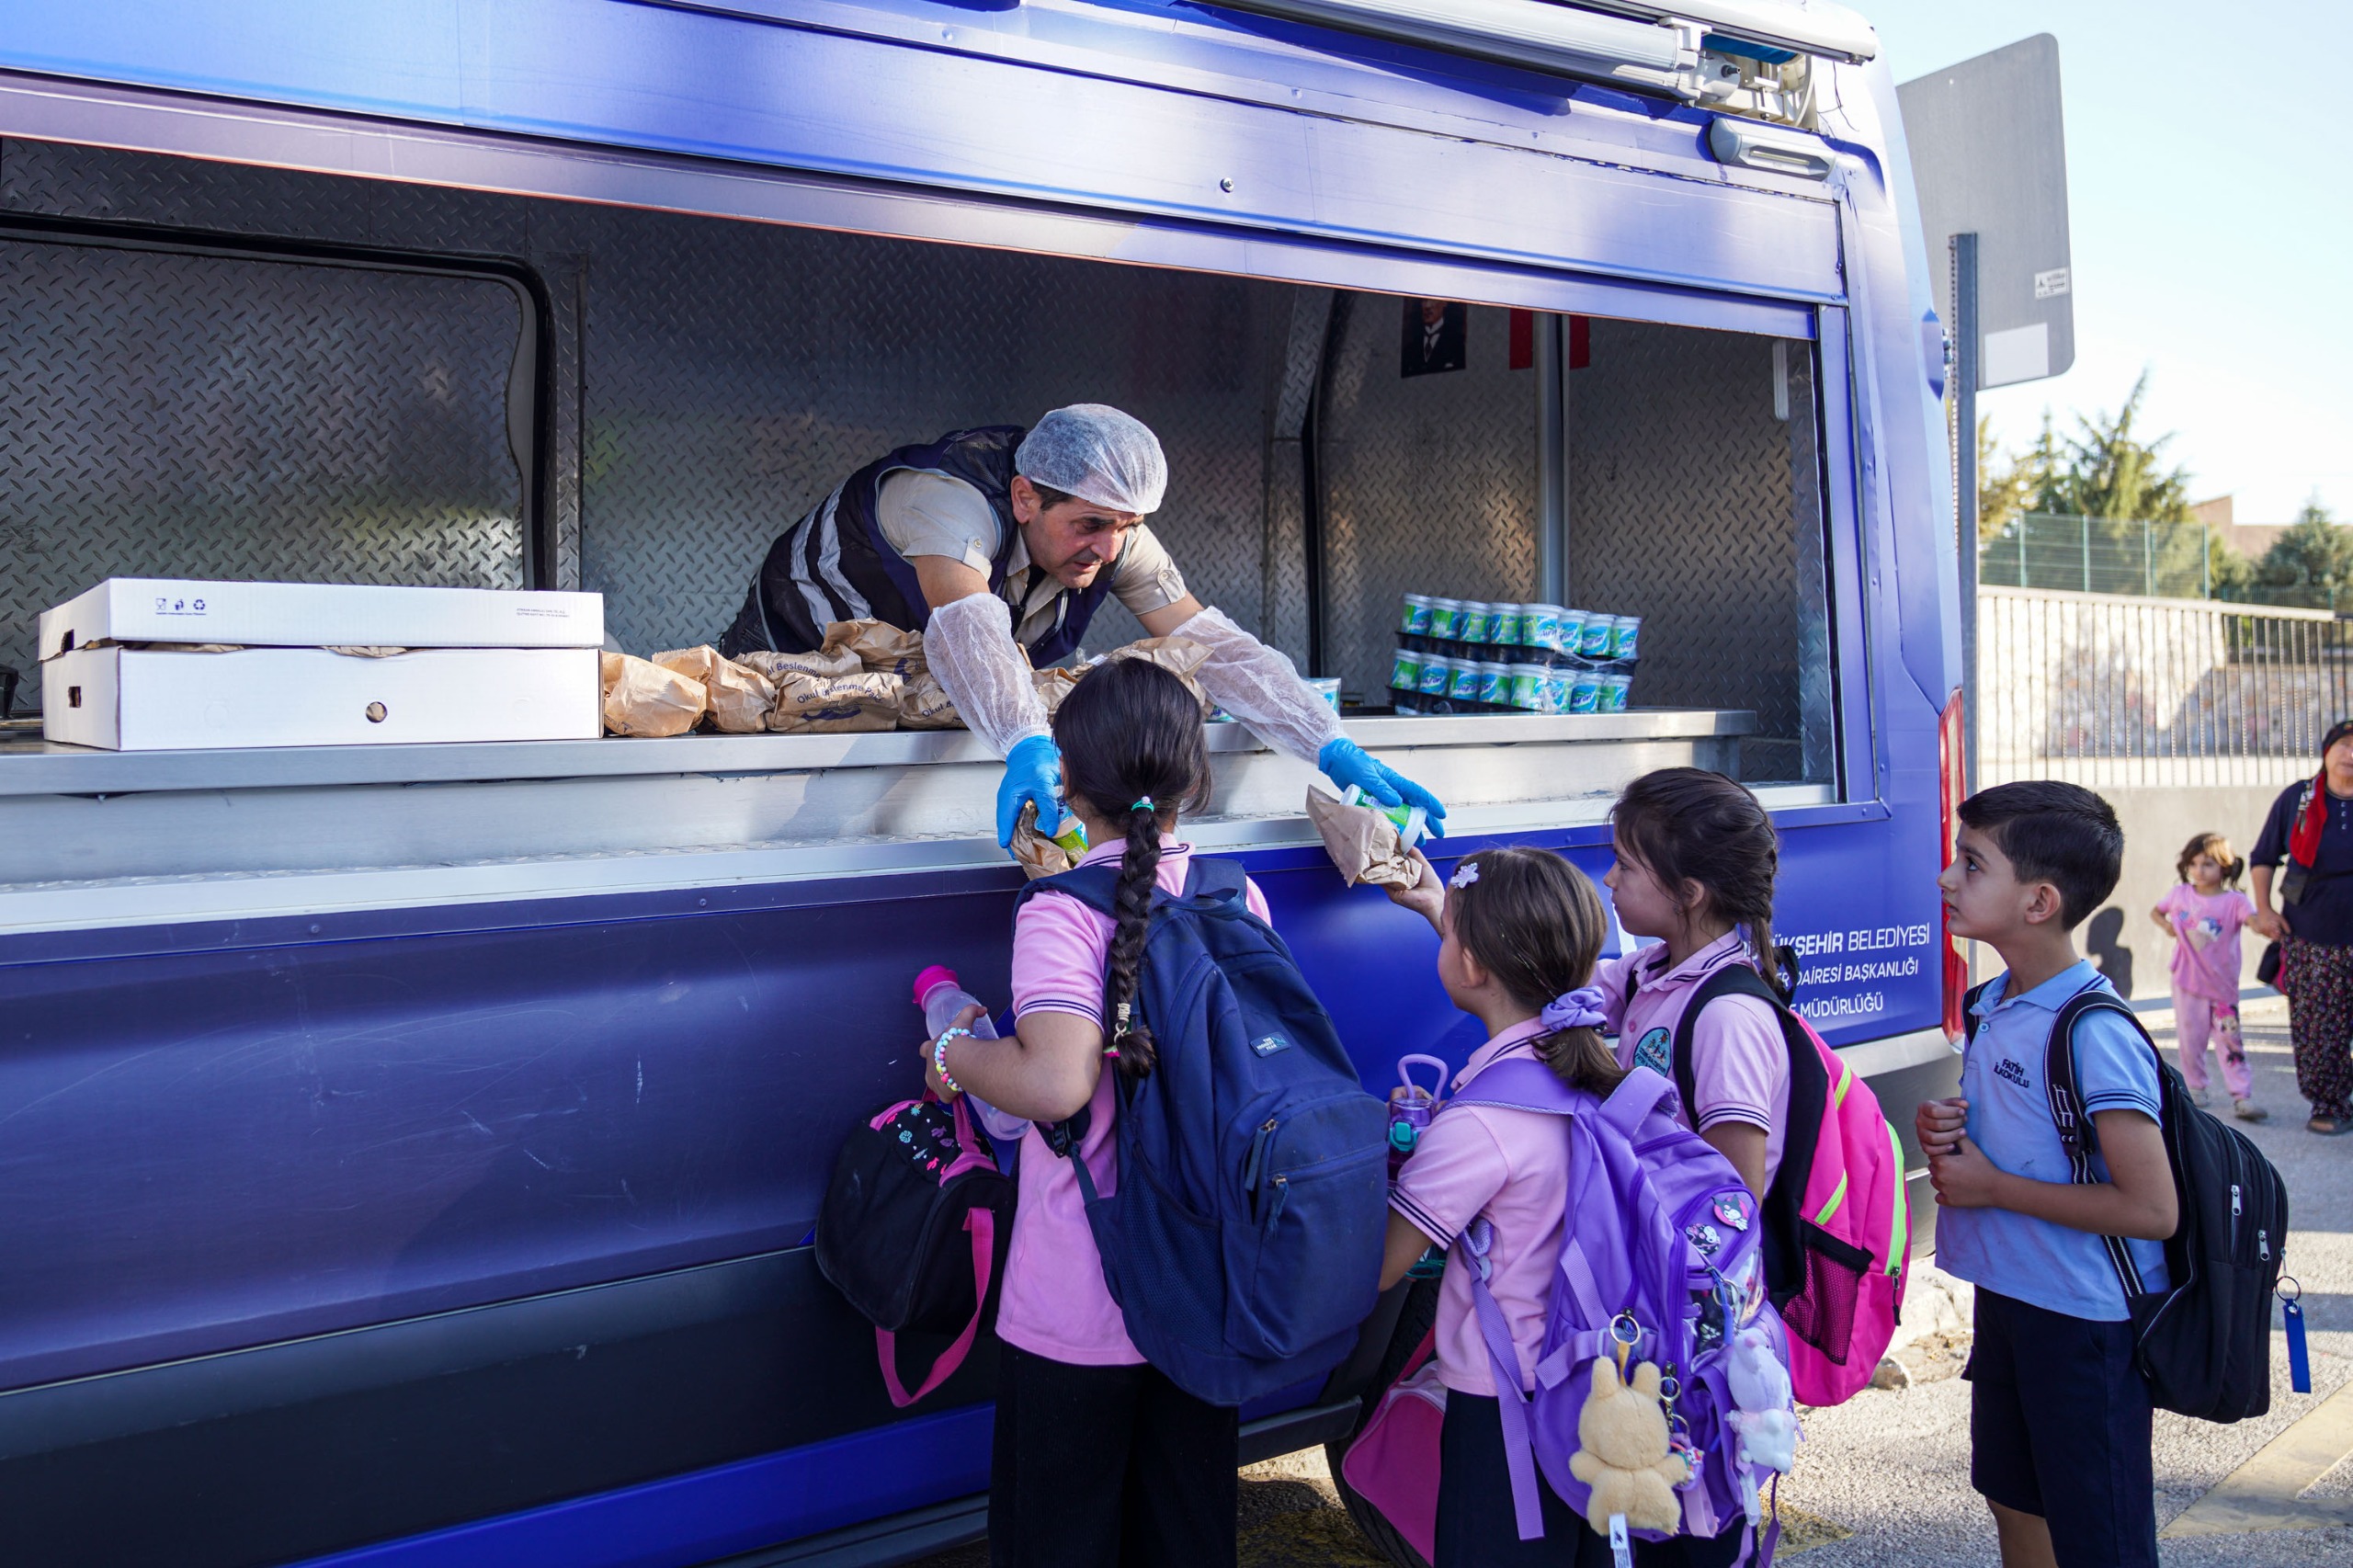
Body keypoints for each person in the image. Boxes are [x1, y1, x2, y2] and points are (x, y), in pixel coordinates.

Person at [716, 403, 1444, 850]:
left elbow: (1209, 644)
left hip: (911, 703)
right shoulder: (945, 501)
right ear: (1025, 498)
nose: (1107, 547)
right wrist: (1028, 744)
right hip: (785, 681)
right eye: (1090, 526)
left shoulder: (1110, 532)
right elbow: (968, 628)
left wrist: (1329, 744)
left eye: (1125, 527)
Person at [917, 657, 1244, 1568]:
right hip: (1204, 1290)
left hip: (1078, 1304)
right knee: (1185, 1536)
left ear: (1065, 780)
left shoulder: (1060, 912)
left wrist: (952, 1055)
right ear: (1195, 778)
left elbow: (1057, 1083)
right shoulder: (1234, 894)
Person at [1917, 781, 2177, 1568]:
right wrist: (1952, 1130)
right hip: (2011, 1298)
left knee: (2099, 1535)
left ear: (2039, 902)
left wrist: (1994, 1187)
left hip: (2083, 1325)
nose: (1947, 877)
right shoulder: (1994, 1001)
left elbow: (2152, 1209)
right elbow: (2028, 1138)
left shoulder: (2094, 1031)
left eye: (1972, 864)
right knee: (2015, 1502)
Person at [1374, 846, 1630, 1567]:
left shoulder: (1482, 1121)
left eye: (1450, 930)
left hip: (1506, 1409)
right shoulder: (1593, 1069)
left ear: (1472, 965)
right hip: (1597, 1386)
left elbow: (1378, 1267)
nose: (1445, 940)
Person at [1595, 768, 1790, 1200]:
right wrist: (1453, 920)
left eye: (1625, 865)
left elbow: (1737, 1201)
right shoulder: (1651, 971)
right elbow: (1548, 981)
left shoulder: (1728, 1020)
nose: (1609, 879)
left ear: (1688, 894)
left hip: (1682, 1244)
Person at [2249, 718, 2353, 1134]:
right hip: (2311, 931)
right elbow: (2263, 857)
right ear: (2327, 751)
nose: (2350, 754)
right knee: (2318, 1024)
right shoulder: (2298, 799)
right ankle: (2329, 1105)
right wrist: (2263, 910)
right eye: (2343, 745)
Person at [2148, 832, 2264, 1121]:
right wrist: (2167, 926)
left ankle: (2242, 1096)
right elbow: (2156, 912)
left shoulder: (2235, 901)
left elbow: (2253, 920)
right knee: (2191, 1040)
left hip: (2223, 987)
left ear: (2224, 866)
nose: (2199, 870)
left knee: (2231, 1040)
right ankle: (2196, 1088)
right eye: (2194, 864)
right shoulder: (2180, 895)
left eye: (2207, 864)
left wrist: (2265, 924)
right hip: (2186, 982)